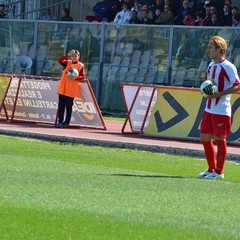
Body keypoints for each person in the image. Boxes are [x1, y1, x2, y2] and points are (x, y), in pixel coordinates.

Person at [198, 36, 240, 179]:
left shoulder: (228, 66)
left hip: (221, 109)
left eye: (210, 47)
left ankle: (219, 172)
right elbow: (212, 83)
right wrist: (207, 91)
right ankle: (211, 169)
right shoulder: (211, 65)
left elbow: (237, 85)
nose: (208, 50)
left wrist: (220, 94)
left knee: (220, 139)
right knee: (204, 138)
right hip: (209, 108)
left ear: (219, 49)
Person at [56, 49, 86, 128]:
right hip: (63, 87)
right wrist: (67, 55)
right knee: (61, 106)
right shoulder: (68, 62)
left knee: (69, 106)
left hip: (71, 89)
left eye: (75, 56)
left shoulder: (80, 65)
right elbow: (60, 60)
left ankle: (66, 122)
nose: (74, 57)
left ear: (78, 57)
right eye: (72, 56)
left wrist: (75, 77)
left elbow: (83, 76)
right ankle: (60, 121)